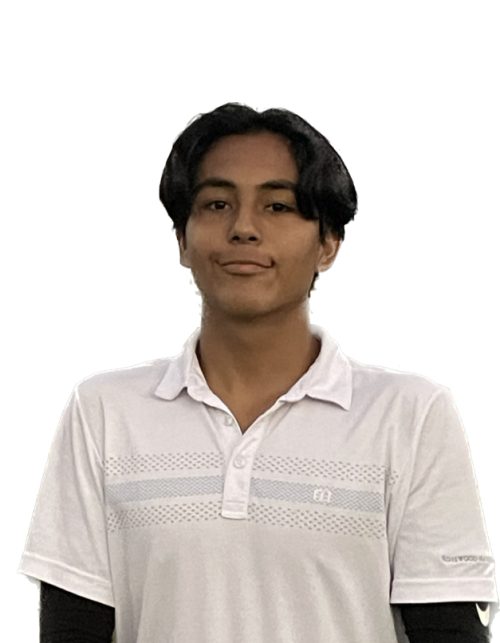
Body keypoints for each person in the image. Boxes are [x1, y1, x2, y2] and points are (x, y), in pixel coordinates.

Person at [19, 102, 498, 642]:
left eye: (278, 206)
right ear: (182, 239)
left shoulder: (409, 416)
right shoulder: (105, 412)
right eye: (217, 203)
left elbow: (449, 631)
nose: (243, 228)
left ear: (328, 243)